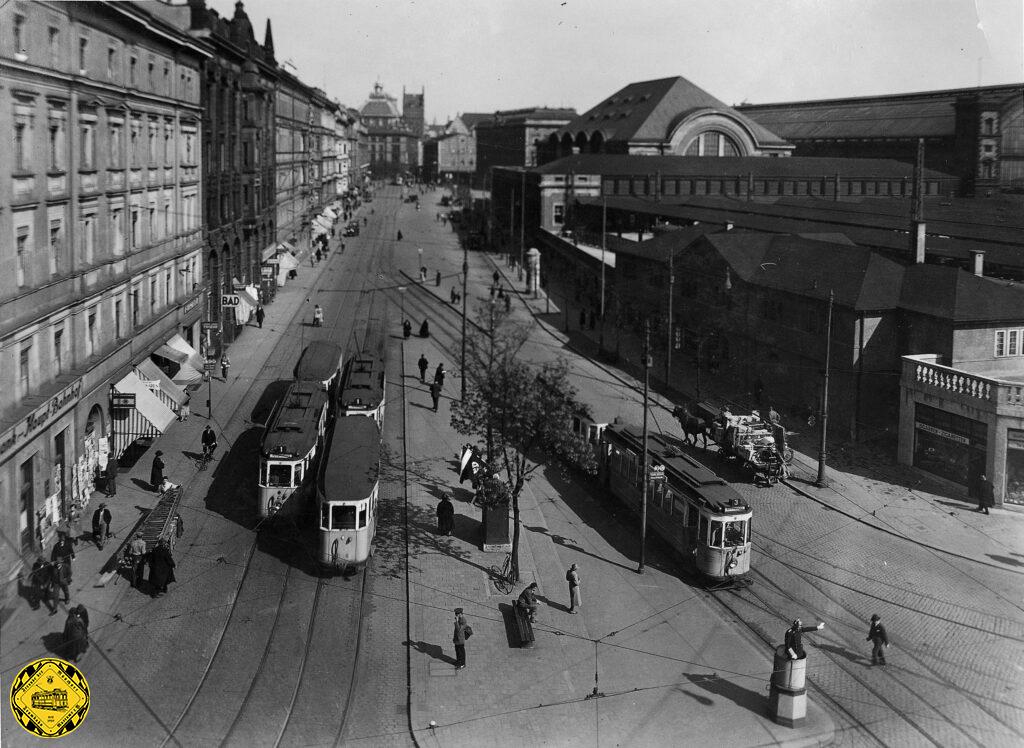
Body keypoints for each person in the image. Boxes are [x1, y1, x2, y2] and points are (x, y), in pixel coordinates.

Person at [51, 532, 75, 604]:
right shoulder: (56, 546)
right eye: (60, 540)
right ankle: (60, 579)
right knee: (59, 571)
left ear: (64, 540)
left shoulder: (68, 544)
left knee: (67, 571)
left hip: (67, 561)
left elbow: (71, 551)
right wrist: (52, 561)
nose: (62, 541)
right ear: (59, 540)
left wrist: (73, 557)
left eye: (63, 540)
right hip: (59, 561)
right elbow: (53, 554)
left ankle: (68, 579)